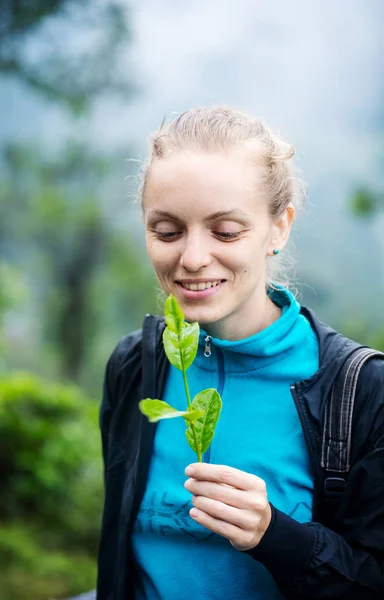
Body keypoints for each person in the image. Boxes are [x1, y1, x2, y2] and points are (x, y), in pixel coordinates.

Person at [96, 106, 384, 600]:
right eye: (166, 231)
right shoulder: (135, 366)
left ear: (279, 227)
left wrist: (276, 535)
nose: (191, 258)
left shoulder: (360, 391)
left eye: (225, 231)